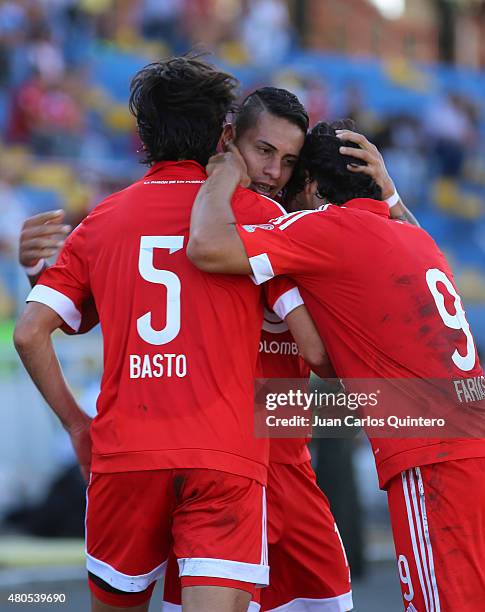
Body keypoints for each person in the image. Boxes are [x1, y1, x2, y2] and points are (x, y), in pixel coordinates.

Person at [14, 57, 330, 612]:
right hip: (225, 455)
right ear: (224, 136)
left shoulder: (102, 220)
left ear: (143, 136)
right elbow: (318, 347)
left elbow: (30, 334)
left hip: (125, 455)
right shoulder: (259, 218)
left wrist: (77, 425)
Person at [186, 120, 485, 612]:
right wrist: (392, 191)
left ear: (311, 183)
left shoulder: (319, 226)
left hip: (434, 459)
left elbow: (206, 245)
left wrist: (224, 174)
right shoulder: (418, 239)